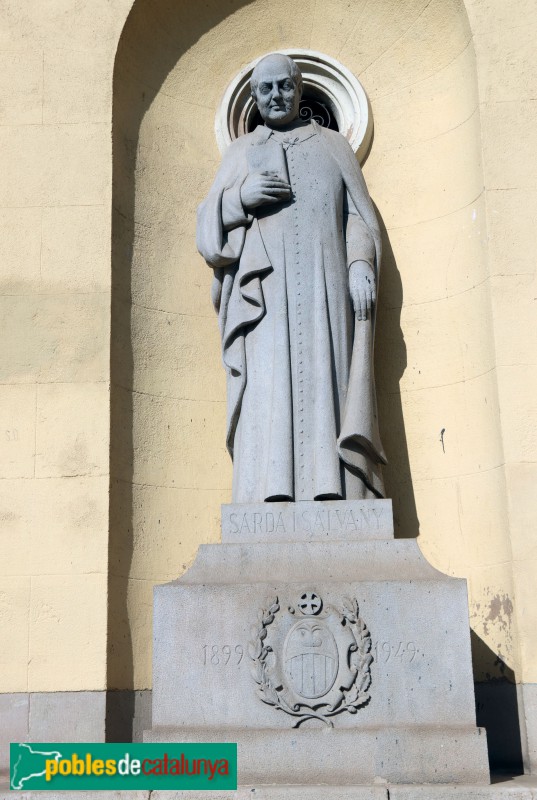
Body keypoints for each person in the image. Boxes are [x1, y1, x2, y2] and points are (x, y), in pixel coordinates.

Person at [197, 53, 386, 503]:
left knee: (328, 381)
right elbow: (206, 230)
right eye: (266, 89)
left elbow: (357, 216)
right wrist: (240, 198)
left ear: (299, 89)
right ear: (255, 97)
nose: (277, 95)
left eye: (285, 85)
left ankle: (339, 490)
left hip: (326, 290)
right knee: (268, 389)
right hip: (265, 298)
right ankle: (267, 492)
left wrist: (360, 263)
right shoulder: (241, 153)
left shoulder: (333, 146)